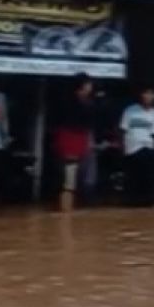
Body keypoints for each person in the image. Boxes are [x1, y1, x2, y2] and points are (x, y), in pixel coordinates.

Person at [55, 73, 96, 213]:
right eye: (88, 84)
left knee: (76, 175)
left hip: (80, 139)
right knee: (69, 177)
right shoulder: (72, 102)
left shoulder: (86, 103)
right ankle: (66, 209)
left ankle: (70, 207)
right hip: (70, 138)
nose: (90, 88)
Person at [121, 86, 154, 207]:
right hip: (132, 147)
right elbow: (123, 129)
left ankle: (147, 200)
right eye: (146, 93)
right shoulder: (130, 111)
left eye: (151, 94)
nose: (148, 96)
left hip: (147, 147)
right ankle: (131, 200)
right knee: (132, 175)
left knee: (148, 175)